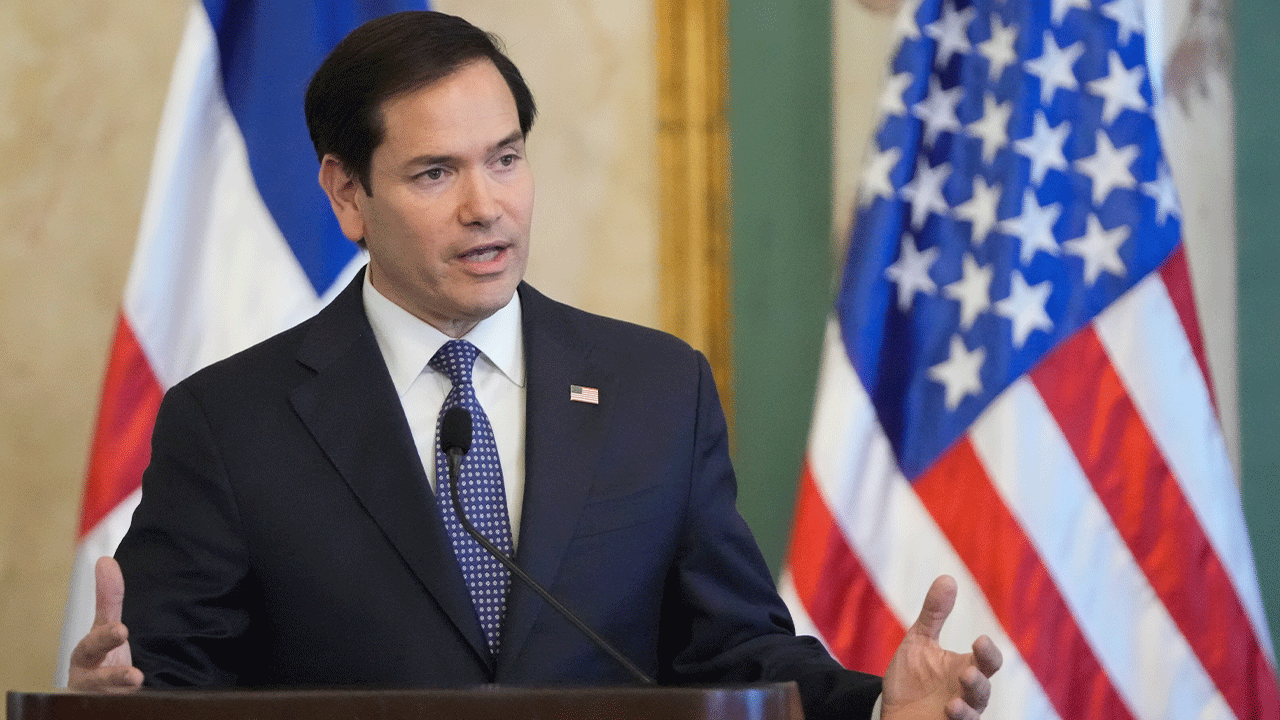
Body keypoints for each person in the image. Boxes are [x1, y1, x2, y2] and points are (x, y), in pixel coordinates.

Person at [67, 11, 1001, 719]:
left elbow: (733, 651)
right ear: (347, 193)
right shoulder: (231, 422)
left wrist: (875, 707)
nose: (487, 206)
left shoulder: (656, 390)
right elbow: (168, 682)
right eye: (436, 173)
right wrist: (109, 705)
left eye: (506, 159)